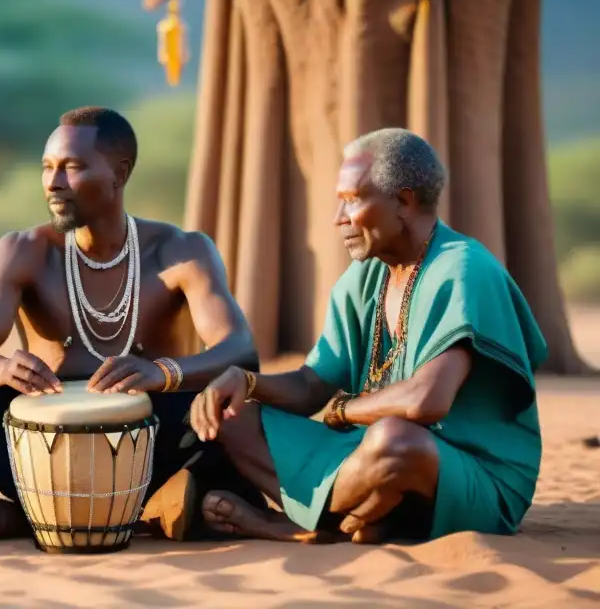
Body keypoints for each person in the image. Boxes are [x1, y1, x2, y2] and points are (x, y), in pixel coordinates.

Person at [188, 128, 547, 544]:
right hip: (367, 454)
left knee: (395, 441)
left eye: (353, 199)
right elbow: (311, 385)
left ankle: (295, 526)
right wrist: (247, 382)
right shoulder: (362, 278)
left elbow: (427, 402)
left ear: (404, 201)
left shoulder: (464, 270)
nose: (339, 218)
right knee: (232, 419)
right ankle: (367, 517)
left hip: (473, 472)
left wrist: (343, 411)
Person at [0, 106, 259, 544]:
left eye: (72, 167)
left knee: (228, 410)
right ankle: (143, 514)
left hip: (152, 431)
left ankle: (25, 519)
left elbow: (240, 349)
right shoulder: (24, 251)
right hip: (51, 439)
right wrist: (0, 369)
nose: (53, 182)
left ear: (119, 174)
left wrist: (163, 373)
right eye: (48, 168)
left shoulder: (181, 251)